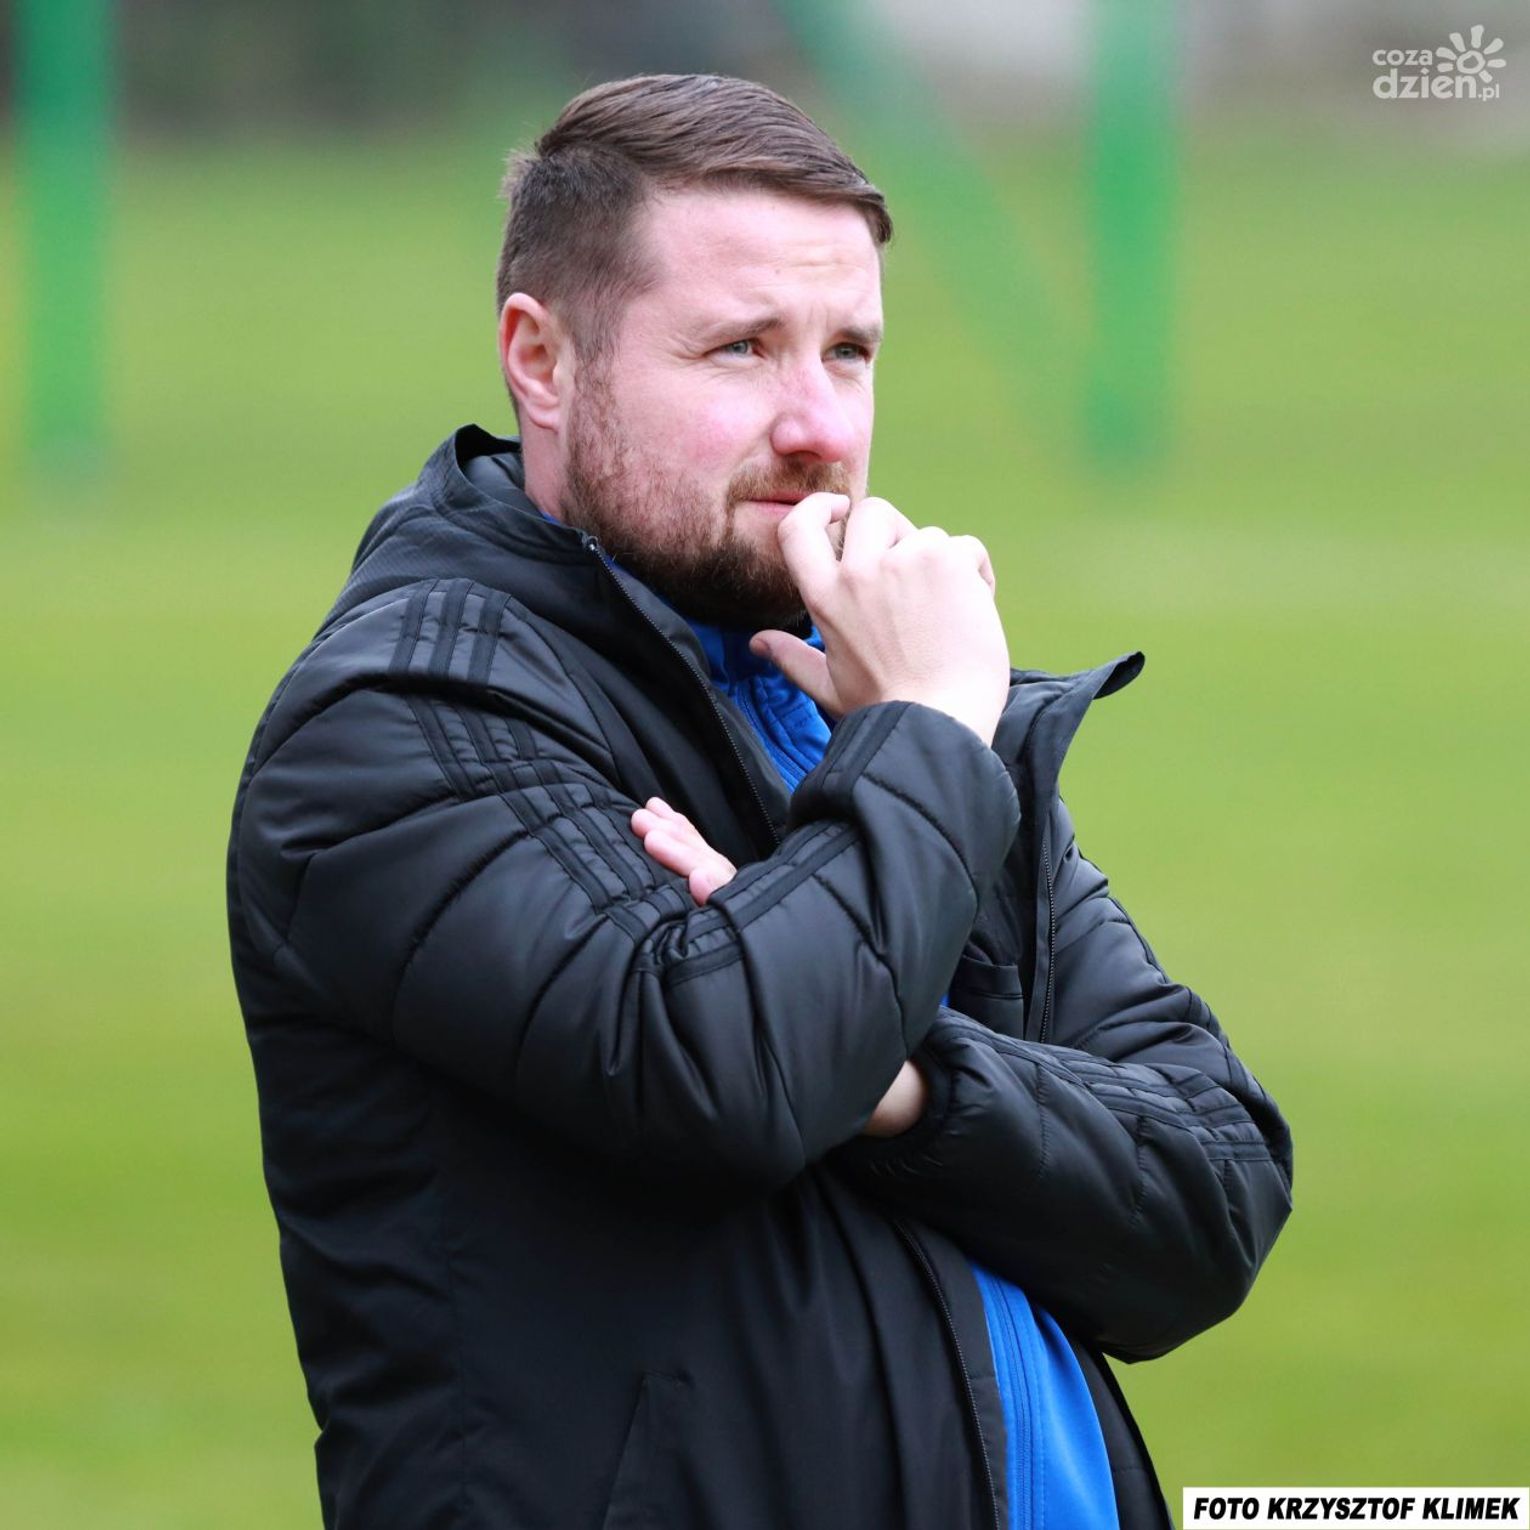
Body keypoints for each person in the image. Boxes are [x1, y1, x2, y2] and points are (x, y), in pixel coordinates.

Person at [227, 73, 1293, 1530]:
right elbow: (729, 1077)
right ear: (542, 360)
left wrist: (905, 1079)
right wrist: (928, 736)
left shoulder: (875, 703)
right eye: (740, 348)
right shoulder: (405, 718)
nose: (818, 426)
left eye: (848, 351)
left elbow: (1209, 1198)